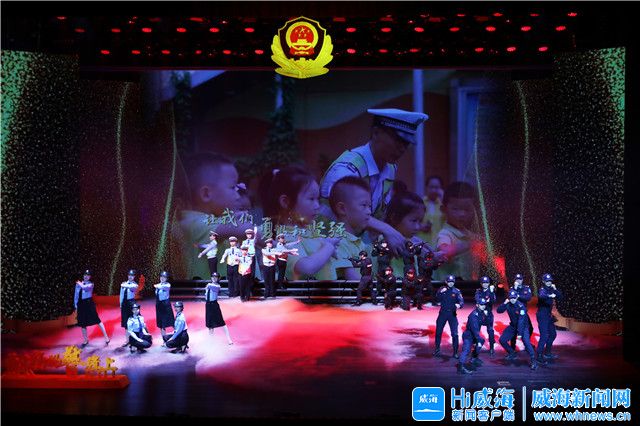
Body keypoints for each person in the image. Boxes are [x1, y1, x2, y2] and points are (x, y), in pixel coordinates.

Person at [319, 108, 429, 255]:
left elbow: (376, 218)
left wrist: (405, 238)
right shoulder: (346, 168)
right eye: (397, 141)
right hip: (324, 248)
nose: (402, 149)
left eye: (406, 143)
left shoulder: (390, 168)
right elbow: (348, 213)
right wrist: (388, 230)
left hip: (354, 249)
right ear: (376, 133)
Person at [173, 152, 252, 280]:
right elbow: (245, 230)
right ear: (206, 194)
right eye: (232, 187)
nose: (238, 195)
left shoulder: (214, 221)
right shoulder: (191, 222)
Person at [259, 166, 340, 281]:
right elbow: (307, 267)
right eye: (311, 199)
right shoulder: (284, 237)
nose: (317, 206)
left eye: (317, 199)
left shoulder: (308, 232)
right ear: (286, 202)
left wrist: (325, 243)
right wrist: (328, 247)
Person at [433, 182, 483, 281]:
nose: (461, 214)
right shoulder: (445, 234)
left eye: (467, 209)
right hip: (447, 285)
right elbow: (444, 252)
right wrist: (469, 244)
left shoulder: (471, 235)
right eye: (455, 209)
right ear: (444, 209)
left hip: (467, 284)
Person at [329, 177, 373, 280]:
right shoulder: (337, 242)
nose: (369, 212)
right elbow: (354, 281)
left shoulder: (357, 242)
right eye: (364, 205)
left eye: (369, 206)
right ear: (342, 208)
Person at [384, 190, 434, 274]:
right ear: (394, 218)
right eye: (414, 221)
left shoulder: (414, 240)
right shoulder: (386, 240)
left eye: (420, 221)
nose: (418, 227)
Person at [497, 290, 539, 370]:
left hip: (523, 327)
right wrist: (504, 303)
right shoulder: (508, 304)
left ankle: (534, 360)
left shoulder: (521, 306)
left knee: (526, 342)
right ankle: (512, 353)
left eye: (514, 298)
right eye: (511, 298)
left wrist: (519, 333)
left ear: (516, 297)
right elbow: (499, 311)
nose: (512, 299)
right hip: (513, 326)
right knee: (502, 340)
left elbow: (521, 321)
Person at [74, 269, 110, 347]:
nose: (86, 276)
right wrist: (76, 305)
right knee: (82, 322)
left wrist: (79, 283)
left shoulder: (91, 284)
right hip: (81, 304)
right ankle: (85, 340)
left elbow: (85, 288)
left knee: (97, 320)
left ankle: (106, 337)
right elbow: (76, 295)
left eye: (88, 275)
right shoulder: (78, 284)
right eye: (85, 275)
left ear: (90, 277)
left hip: (89, 303)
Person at [433, 275, 464, 358]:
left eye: (452, 281)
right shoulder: (442, 289)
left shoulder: (456, 291)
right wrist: (440, 292)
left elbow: (461, 302)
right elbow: (436, 299)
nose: (451, 283)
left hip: (452, 315)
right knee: (438, 332)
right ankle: (437, 349)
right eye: (449, 281)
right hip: (442, 314)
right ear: (446, 282)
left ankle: (455, 352)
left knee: (455, 334)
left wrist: (459, 305)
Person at [456, 299, 489, 374]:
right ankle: (460, 367)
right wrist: (478, 340)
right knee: (466, 350)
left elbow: (485, 323)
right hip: (469, 336)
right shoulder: (473, 315)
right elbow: (474, 329)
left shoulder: (481, 313)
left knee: (482, 341)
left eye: (484, 304)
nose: (483, 306)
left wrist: (487, 316)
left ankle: (473, 359)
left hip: (474, 335)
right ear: (477, 305)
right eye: (481, 304)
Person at [536, 273, 562, 362]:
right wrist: (550, 295)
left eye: (550, 281)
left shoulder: (552, 289)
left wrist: (555, 289)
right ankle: (539, 355)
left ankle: (547, 352)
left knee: (553, 334)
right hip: (542, 315)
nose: (549, 282)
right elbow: (541, 296)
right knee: (544, 336)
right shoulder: (542, 289)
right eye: (547, 281)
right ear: (543, 281)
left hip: (548, 316)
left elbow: (560, 297)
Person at [205, 272, 234, 345]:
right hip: (208, 305)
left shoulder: (217, 286)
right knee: (210, 324)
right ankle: (211, 341)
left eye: (216, 277)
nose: (214, 278)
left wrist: (208, 285)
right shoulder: (209, 285)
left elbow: (212, 287)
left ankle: (229, 339)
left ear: (218, 279)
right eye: (213, 277)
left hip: (214, 305)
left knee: (222, 322)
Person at [417, 175, 445, 246]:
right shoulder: (419, 202)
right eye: (431, 187)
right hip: (421, 242)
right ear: (426, 187)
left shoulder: (443, 205)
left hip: (438, 243)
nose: (433, 190)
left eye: (436, 187)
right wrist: (420, 226)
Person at [510, 273, 533, 350]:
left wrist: (518, 296)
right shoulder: (512, 288)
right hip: (515, 312)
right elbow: (510, 297)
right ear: (515, 280)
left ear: (522, 280)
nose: (518, 281)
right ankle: (512, 347)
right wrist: (515, 289)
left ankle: (526, 343)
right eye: (517, 279)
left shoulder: (526, 288)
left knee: (530, 328)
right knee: (514, 329)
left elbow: (528, 297)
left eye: (520, 279)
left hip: (524, 312)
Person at [474, 276, 497, 354]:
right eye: (483, 283)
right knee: (476, 330)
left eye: (487, 283)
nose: (485, 284)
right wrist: (486, 300)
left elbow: (493, 301)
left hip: (488, 314)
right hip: (480, 314)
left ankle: (491, 347)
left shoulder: (491, 291)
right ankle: (476, 344)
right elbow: (477, 300)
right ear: (481, 283)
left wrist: (491, 293)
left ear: (489, 283)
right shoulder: (478, 291)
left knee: (490, 331)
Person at [119, 269, 139, 347]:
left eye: (132, 275)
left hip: (131, 304)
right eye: (129, 275)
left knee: (134, 322)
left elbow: (132, 287)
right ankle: (127, 340)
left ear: (134, 277)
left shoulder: (134, 285)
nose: (130, 277)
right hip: (124, 304)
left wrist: (123, 285)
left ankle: (135, 340)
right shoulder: (124, 284)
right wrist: (121, 304)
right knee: (126, 322)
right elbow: (121, 295)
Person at [154, 271, 175, 338]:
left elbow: (159, 286)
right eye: (161, 276)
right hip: (159, 305)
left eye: (164, 277)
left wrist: (157, 286)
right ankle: (164, 338)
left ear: (167, 278)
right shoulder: (159, 285)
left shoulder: (167, 285)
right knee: (161, 323)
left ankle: (178, 334)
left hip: (166, 305)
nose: (162, 278)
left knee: (171, 321)